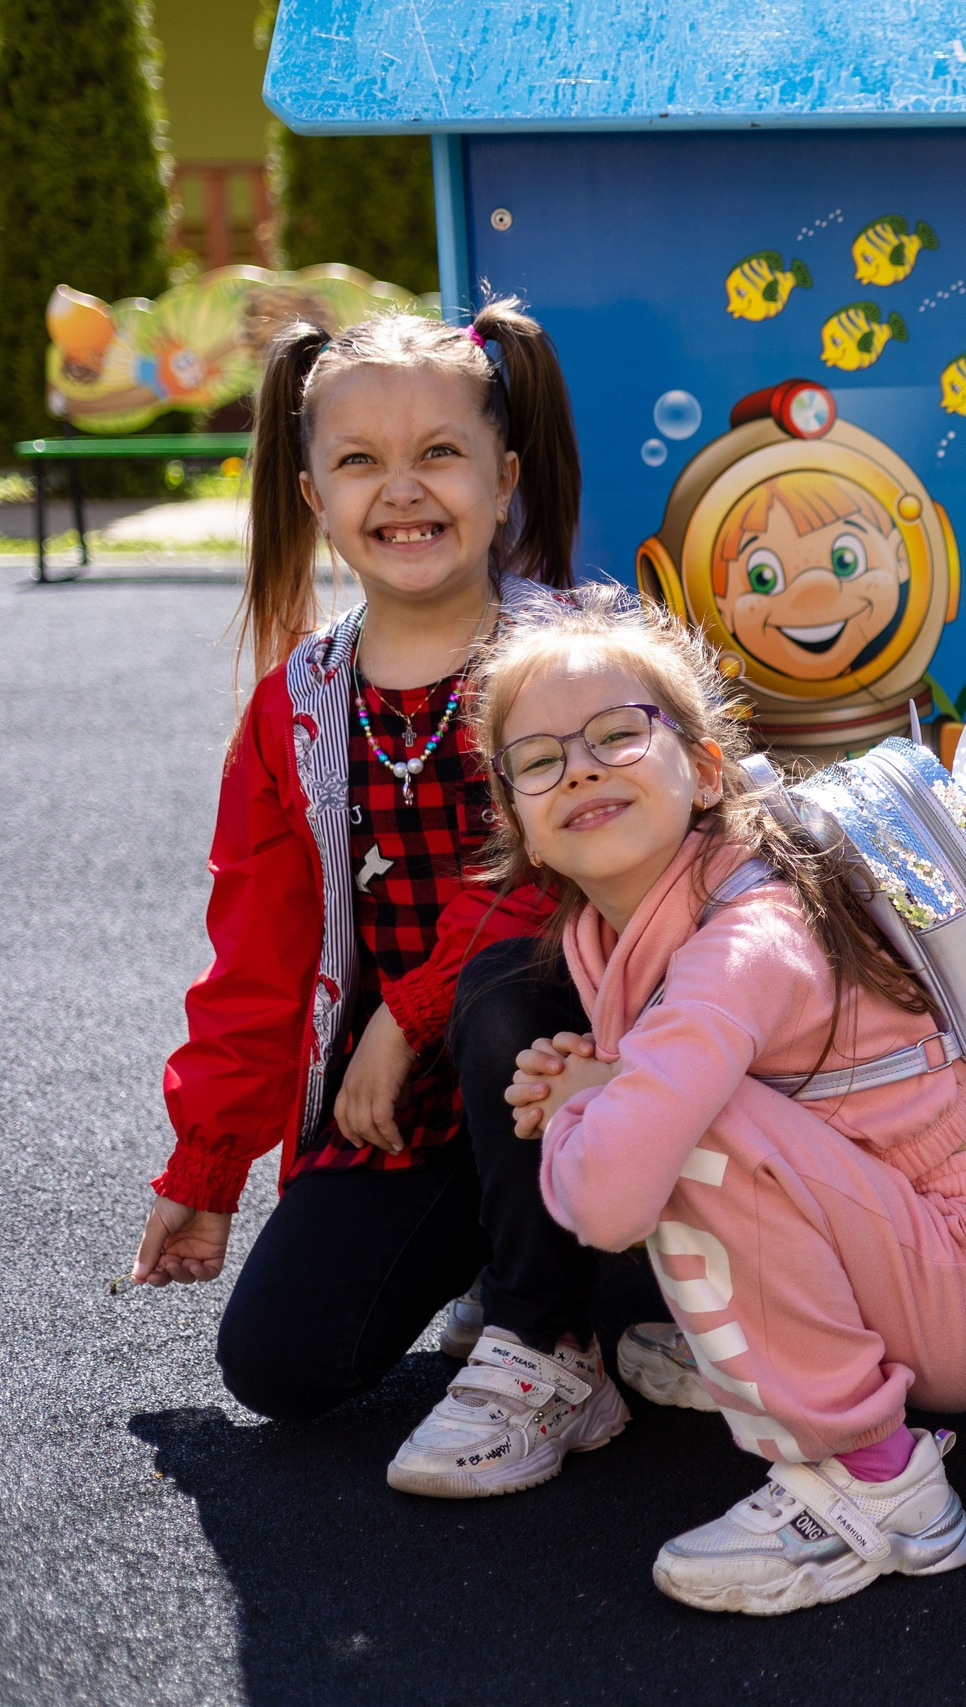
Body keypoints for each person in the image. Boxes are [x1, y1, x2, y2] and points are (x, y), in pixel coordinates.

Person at [491, 594, 966, 1615]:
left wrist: (585, 1109)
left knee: (686, 1130)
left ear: (705, 771)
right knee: (667, 1117)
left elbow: (611, 1202)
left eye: (618, 736)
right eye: (539, 760)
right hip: (902, 1248)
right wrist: (607, 1096)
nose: (579, 767)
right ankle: (772, 1361)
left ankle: (883, 1487)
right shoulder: (617, 927)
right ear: (522, 825)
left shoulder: (745, 936)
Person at [133, 304, 610, 1484]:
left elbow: (558, 880)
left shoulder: (575, 661)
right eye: (359, 462)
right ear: (312, 497)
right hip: (399, 1110)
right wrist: (206, 1171)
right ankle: (508, 1268)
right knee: (277, 1367)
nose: (403, 490)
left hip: (593, 1072)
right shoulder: (296, 708)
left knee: (510, 980)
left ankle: (553, 1339)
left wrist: (408, 1014)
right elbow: (256, 954)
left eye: (438, 453)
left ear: (504, 480)